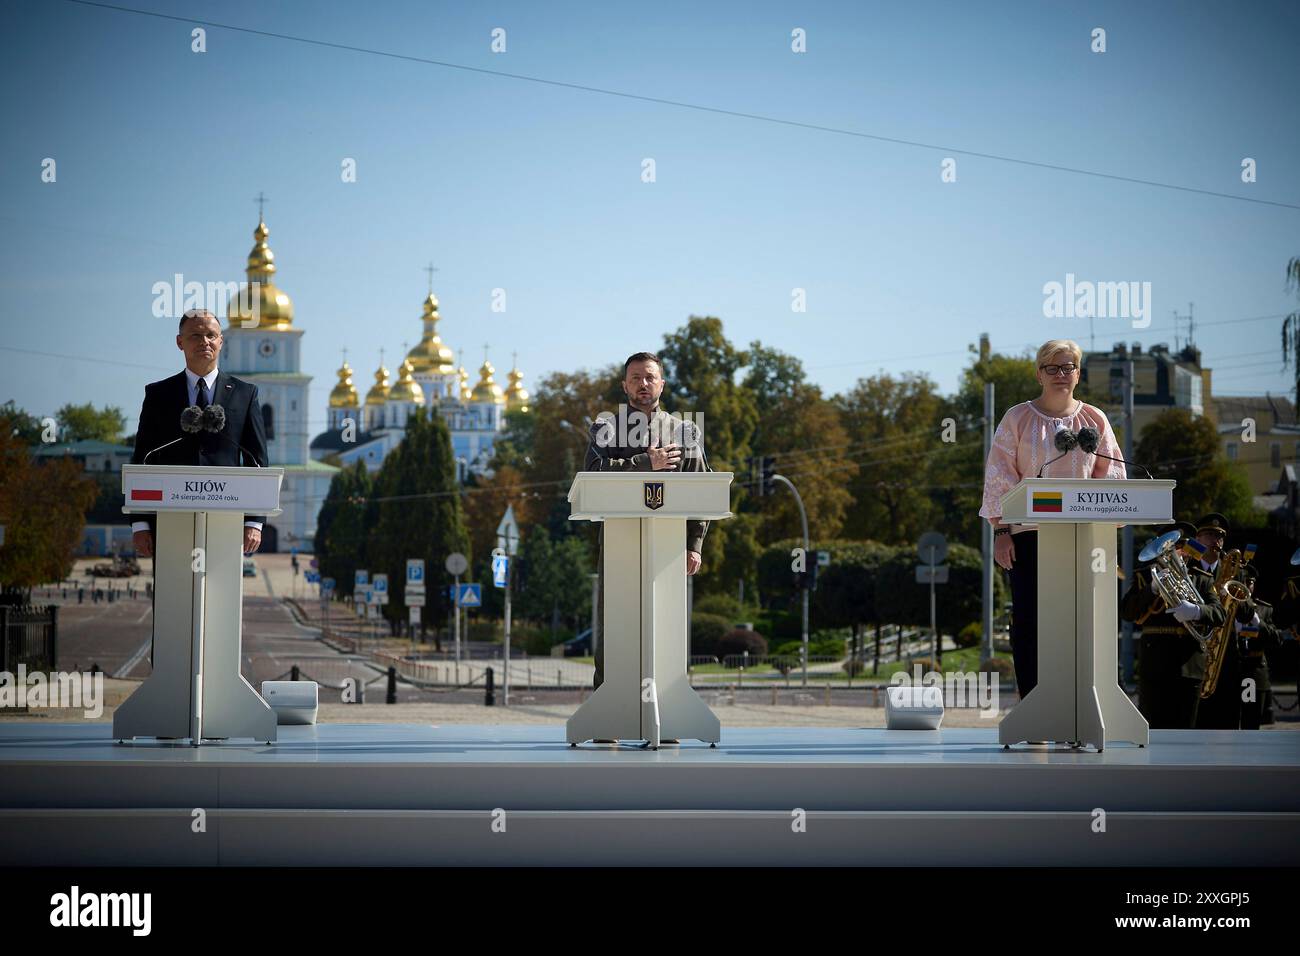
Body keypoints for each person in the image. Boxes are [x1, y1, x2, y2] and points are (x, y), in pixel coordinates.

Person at [980, 339, 1126, 699]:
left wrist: (1105, 531)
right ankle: (1035, 706)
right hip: (1029, 537)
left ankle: (1079, 705)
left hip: (1085, 539)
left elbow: (1111, 477)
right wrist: (1001, 530)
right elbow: (999, 476)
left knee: (1080, 623)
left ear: (1078, 373)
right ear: (1039, 374)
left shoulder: (1095, 419)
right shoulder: (1017, 418)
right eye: (1053, 368)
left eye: (1069, 367)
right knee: (1030, 623)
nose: (1062, 375)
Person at [583, 352, 711, 743]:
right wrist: (643, 462)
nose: (642, 384)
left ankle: (669, 715)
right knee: (614, 628)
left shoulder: (685, 431)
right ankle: (609, 718)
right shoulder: (606, 429)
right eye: (635, 377)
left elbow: (702, 491)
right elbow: (591, 477)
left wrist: (694, 544)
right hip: (620, 547)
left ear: (662, 384)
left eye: (649, 377)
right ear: (624, 386)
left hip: (669, 551)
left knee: (668, 625)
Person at [130, 309, 270, 662]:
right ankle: (166, 668)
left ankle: (218, 667)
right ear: (180, 343)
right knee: (172, 598)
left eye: (211, 335)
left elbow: (256, 458)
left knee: (219, 599)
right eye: (195, 335)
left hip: (225, 525)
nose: (204, 342)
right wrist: (141, 522)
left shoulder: (245, 393)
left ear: (221, 341)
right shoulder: (158, 394)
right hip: (171, 523)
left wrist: (253, 521)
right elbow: (142, 457)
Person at [1121, 521, 1225, 728]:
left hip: (1189, 663)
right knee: (1154, 727)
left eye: (1182, 547)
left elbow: (1219, 613)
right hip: (1155, 662)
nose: (1178, 553)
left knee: (1185, 726)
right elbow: (1127, 612)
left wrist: (1196, 611)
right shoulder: (1144, 577)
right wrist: (1150, 589)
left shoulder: (1201, 579)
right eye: (1172, 548)